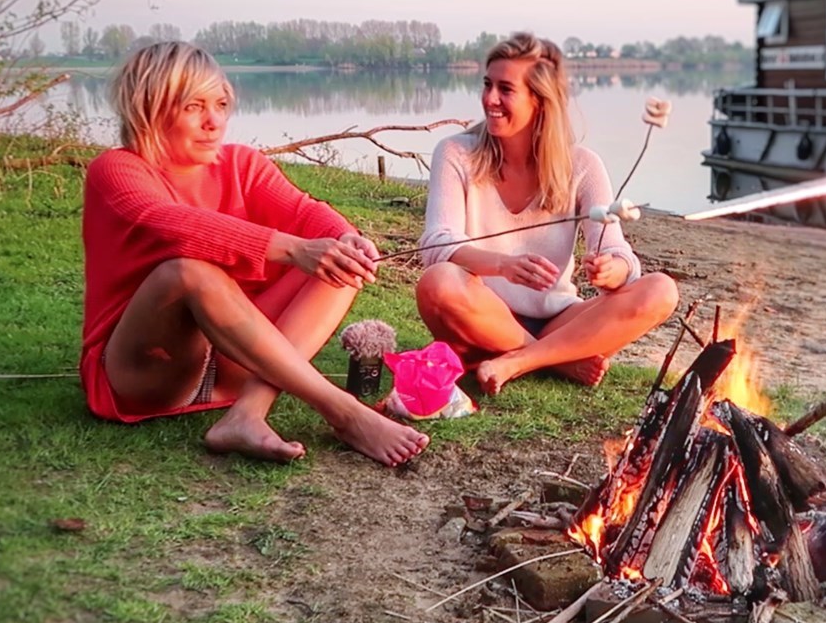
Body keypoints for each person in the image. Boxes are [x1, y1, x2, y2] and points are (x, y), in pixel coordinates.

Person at [80, 41, 427, 466]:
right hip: (149, 375)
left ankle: (247, 412)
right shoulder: (116, 170)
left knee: (338, 263)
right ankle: (342, 411)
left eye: (221, 104)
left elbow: (307, 213)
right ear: (147, 108)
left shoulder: (241, 164)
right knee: (188, 271)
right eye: (193, 107)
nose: (214, 122)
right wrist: (293, 249)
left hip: (238, 368)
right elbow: (167, 223)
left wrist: (345, 239)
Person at [415, 32, 679, 395]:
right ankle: (556, 359)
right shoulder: (456, 153)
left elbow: (621, 256)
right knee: (439, 282)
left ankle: (519, 360)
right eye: (487, 84)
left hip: (559, 320)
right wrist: (502, 265)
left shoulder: (583, 166)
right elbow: (436, 244)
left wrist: (613, 271)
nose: (490, 99)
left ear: (540, 101)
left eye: (505, 89)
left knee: (661, 290)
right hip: (478, 315)